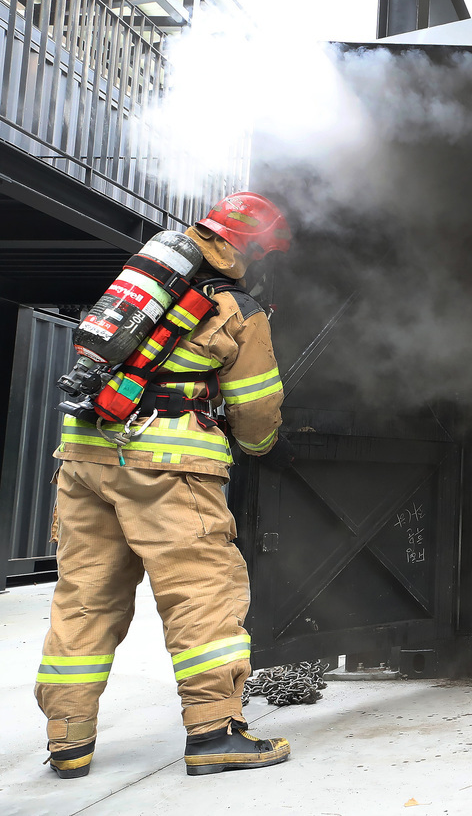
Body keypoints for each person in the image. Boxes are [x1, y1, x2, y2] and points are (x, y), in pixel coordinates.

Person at [38, 192, 295, 778]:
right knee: (202, 595)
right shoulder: (236, 307)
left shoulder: (140, 287)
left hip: (83, 456)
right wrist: (262, 447)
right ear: (250, 248)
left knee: (84, 597)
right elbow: (256, 407)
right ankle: (214, 733)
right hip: (169, 468)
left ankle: (68, 740)